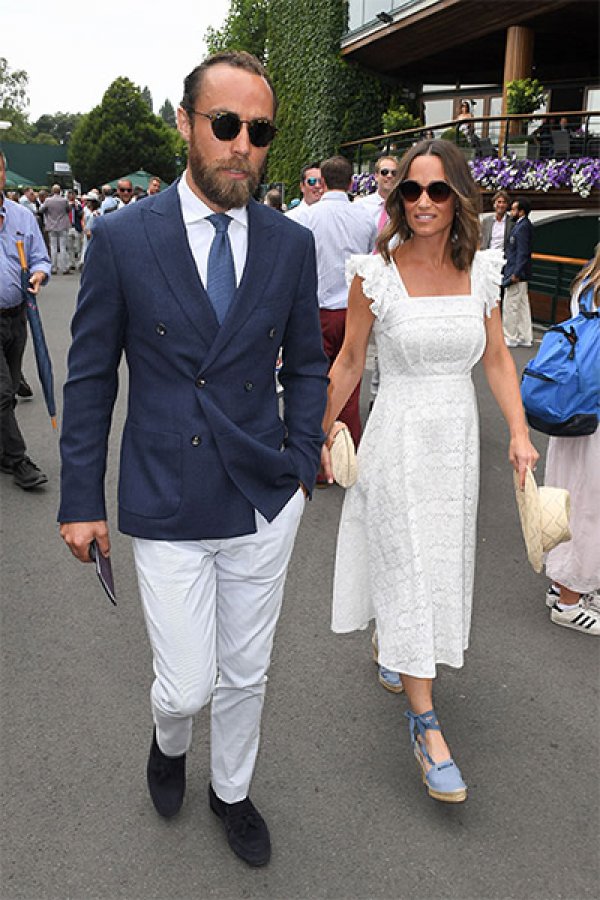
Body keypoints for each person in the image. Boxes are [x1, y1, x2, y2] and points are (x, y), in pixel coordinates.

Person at [58, 49, 328, 867]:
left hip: (261, 495)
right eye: (225, 124)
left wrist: (304, 463)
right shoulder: (121, 237)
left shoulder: (288, 243)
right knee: (185, 685)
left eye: (260, 130)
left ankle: (233, 792)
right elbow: (90, 374)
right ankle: (168, 739)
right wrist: (81, 496)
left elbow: (310, 363)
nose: (242, 143)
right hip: (166, 495)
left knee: (246, 673)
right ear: (186, 124)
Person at [320, 138, 538, 804]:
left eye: (437, 190)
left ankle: (398, 645)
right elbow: (352, 361)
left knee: (434, 563)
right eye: (409, 190)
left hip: (457, 444)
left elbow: (497, 359)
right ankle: (426, 725)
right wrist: (314, 430)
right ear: (396, 198)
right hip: (395, 439)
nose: (421, 202)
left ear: (459, 198)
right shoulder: (374, 272)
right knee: (409, 560)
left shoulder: (481, 273)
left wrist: (522, 436)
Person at [300, 155, 376, 451]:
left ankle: (317, 457)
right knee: (350, 384)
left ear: (323, 182)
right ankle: (347, 453)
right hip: (353, 310)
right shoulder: (365, 218)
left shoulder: (306, 217)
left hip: (316, 311)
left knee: (315, 383)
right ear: (350, 182)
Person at [544, 249, 600, 635]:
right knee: (589, 503)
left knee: (572, 494)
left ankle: (566, 583)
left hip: (575, 404)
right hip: (594, 411)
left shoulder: (586, 281)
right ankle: (569, 597)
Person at [0, 151, 51, 489]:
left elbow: (40, 259)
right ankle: (18, 460)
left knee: (10, 391)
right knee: (3, 393)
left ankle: (4, 453)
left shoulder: (21, 215)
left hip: (17, 318)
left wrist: (38, 274)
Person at [502, 197, 534, 348]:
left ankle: (511, 336)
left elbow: (522, 252)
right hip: (520, 271)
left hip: (516, 272)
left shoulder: (522, 227)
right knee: (522, 305)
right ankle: (525, 336)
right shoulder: (522, 226)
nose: (511, 212)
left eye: (514, 209)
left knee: (511, 305)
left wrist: (516, 272)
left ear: (521, 212)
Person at [38, 184, 70, 274]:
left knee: (53, 247)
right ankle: (64, 268)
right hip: (63, 225)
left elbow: (41, 210)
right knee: (63, 247)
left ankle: (53, 267)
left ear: (52, 191)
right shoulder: (64, 200)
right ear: (60, 191)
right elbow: (68, 209)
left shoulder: (48, 200)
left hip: (51, 225)